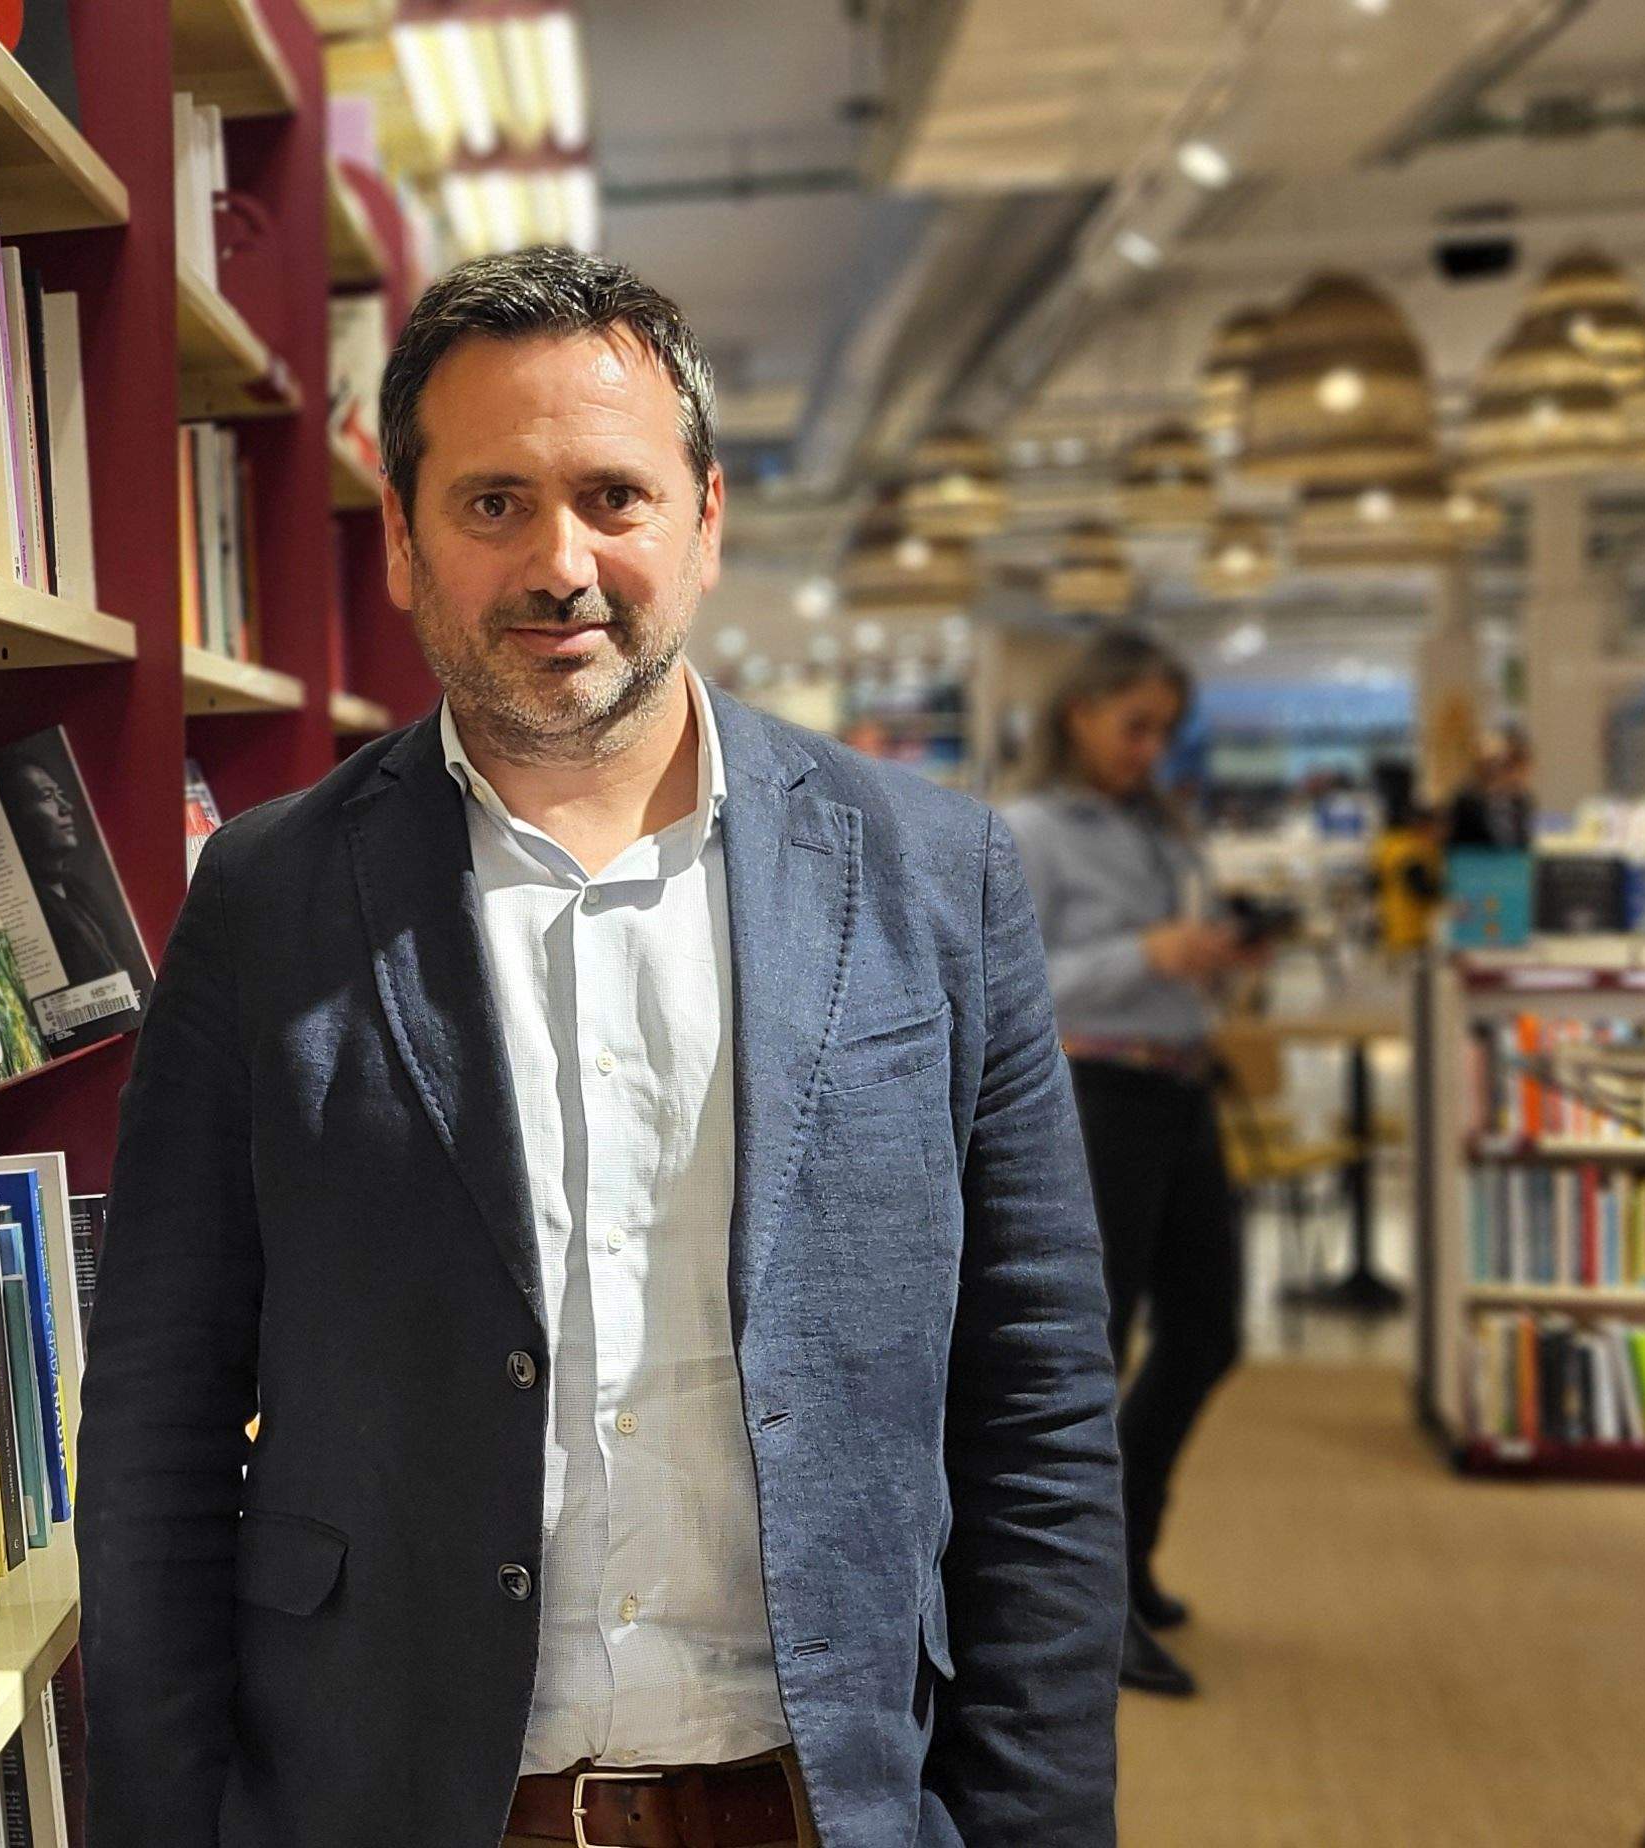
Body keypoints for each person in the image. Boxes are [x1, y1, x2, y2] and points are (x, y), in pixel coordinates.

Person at [80, 247, 1122, 1848]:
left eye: (614, 497)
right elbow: (158, 1414)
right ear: (406, 545)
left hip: (813, 1804)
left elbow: (1039, 1411)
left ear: (705, 522)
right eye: (493, 503)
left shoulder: (933, 875)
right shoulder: (270, 897)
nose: (560, 563)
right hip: (399, 1802)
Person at [994, 627, 1254, 1701]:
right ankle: (1082, 1609)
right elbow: (1016, 981)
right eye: (1133, 724)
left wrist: (1214, 956)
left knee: (1209, 1331)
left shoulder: (1159, 829)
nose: (1149, 747)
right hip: (1094, 1100)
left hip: (1182, 1086)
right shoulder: (1028, 831)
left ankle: (1130, 1554)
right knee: (1084, 1360)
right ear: (1077, 714)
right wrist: (1142, 955)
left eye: (1163, 729)